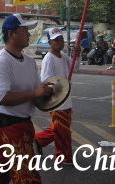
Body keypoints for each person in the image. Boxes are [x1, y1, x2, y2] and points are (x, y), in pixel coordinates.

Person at [0, 13, 53, 184]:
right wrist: (36, 93)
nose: (29, 34)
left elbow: (37, 92)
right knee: (27, 176)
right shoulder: (0, 61)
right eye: (24, 30)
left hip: (24, 124)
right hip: (7, 126)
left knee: (1, 170)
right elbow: (1, 97)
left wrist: (49, 94)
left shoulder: (29, 62)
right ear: (12, 34)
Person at [34, 27, 80, 166]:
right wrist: (58, 88)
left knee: (60, 128)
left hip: (66, 97)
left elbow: (75, 68)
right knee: (62, 129)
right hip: (57, 99)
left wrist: (77, 56)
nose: (60, 42)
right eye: (56, 40)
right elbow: (46, 79)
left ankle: (39, 139)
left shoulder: (64, 56)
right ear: (50, 43)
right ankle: (63, 156)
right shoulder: (49, 58)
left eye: (61, 40)